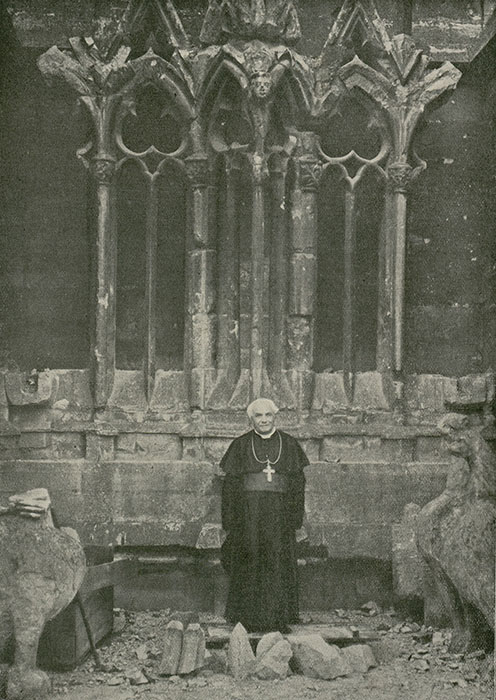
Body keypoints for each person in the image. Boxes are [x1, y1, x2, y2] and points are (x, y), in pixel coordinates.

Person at [220, 398, 309, 633]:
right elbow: (230, 486)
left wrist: (295, 517)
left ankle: (277, 618)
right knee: (249, 560)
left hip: (279, 518)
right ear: (251, 420)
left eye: (268, 415)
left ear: (274, 417)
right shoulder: (240, 445)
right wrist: (231, 521)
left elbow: (298, 483)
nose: (264, 420)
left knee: (276, 563)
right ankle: (246, 618)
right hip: (248, 518)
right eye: (258, 416)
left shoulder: (288, 445)